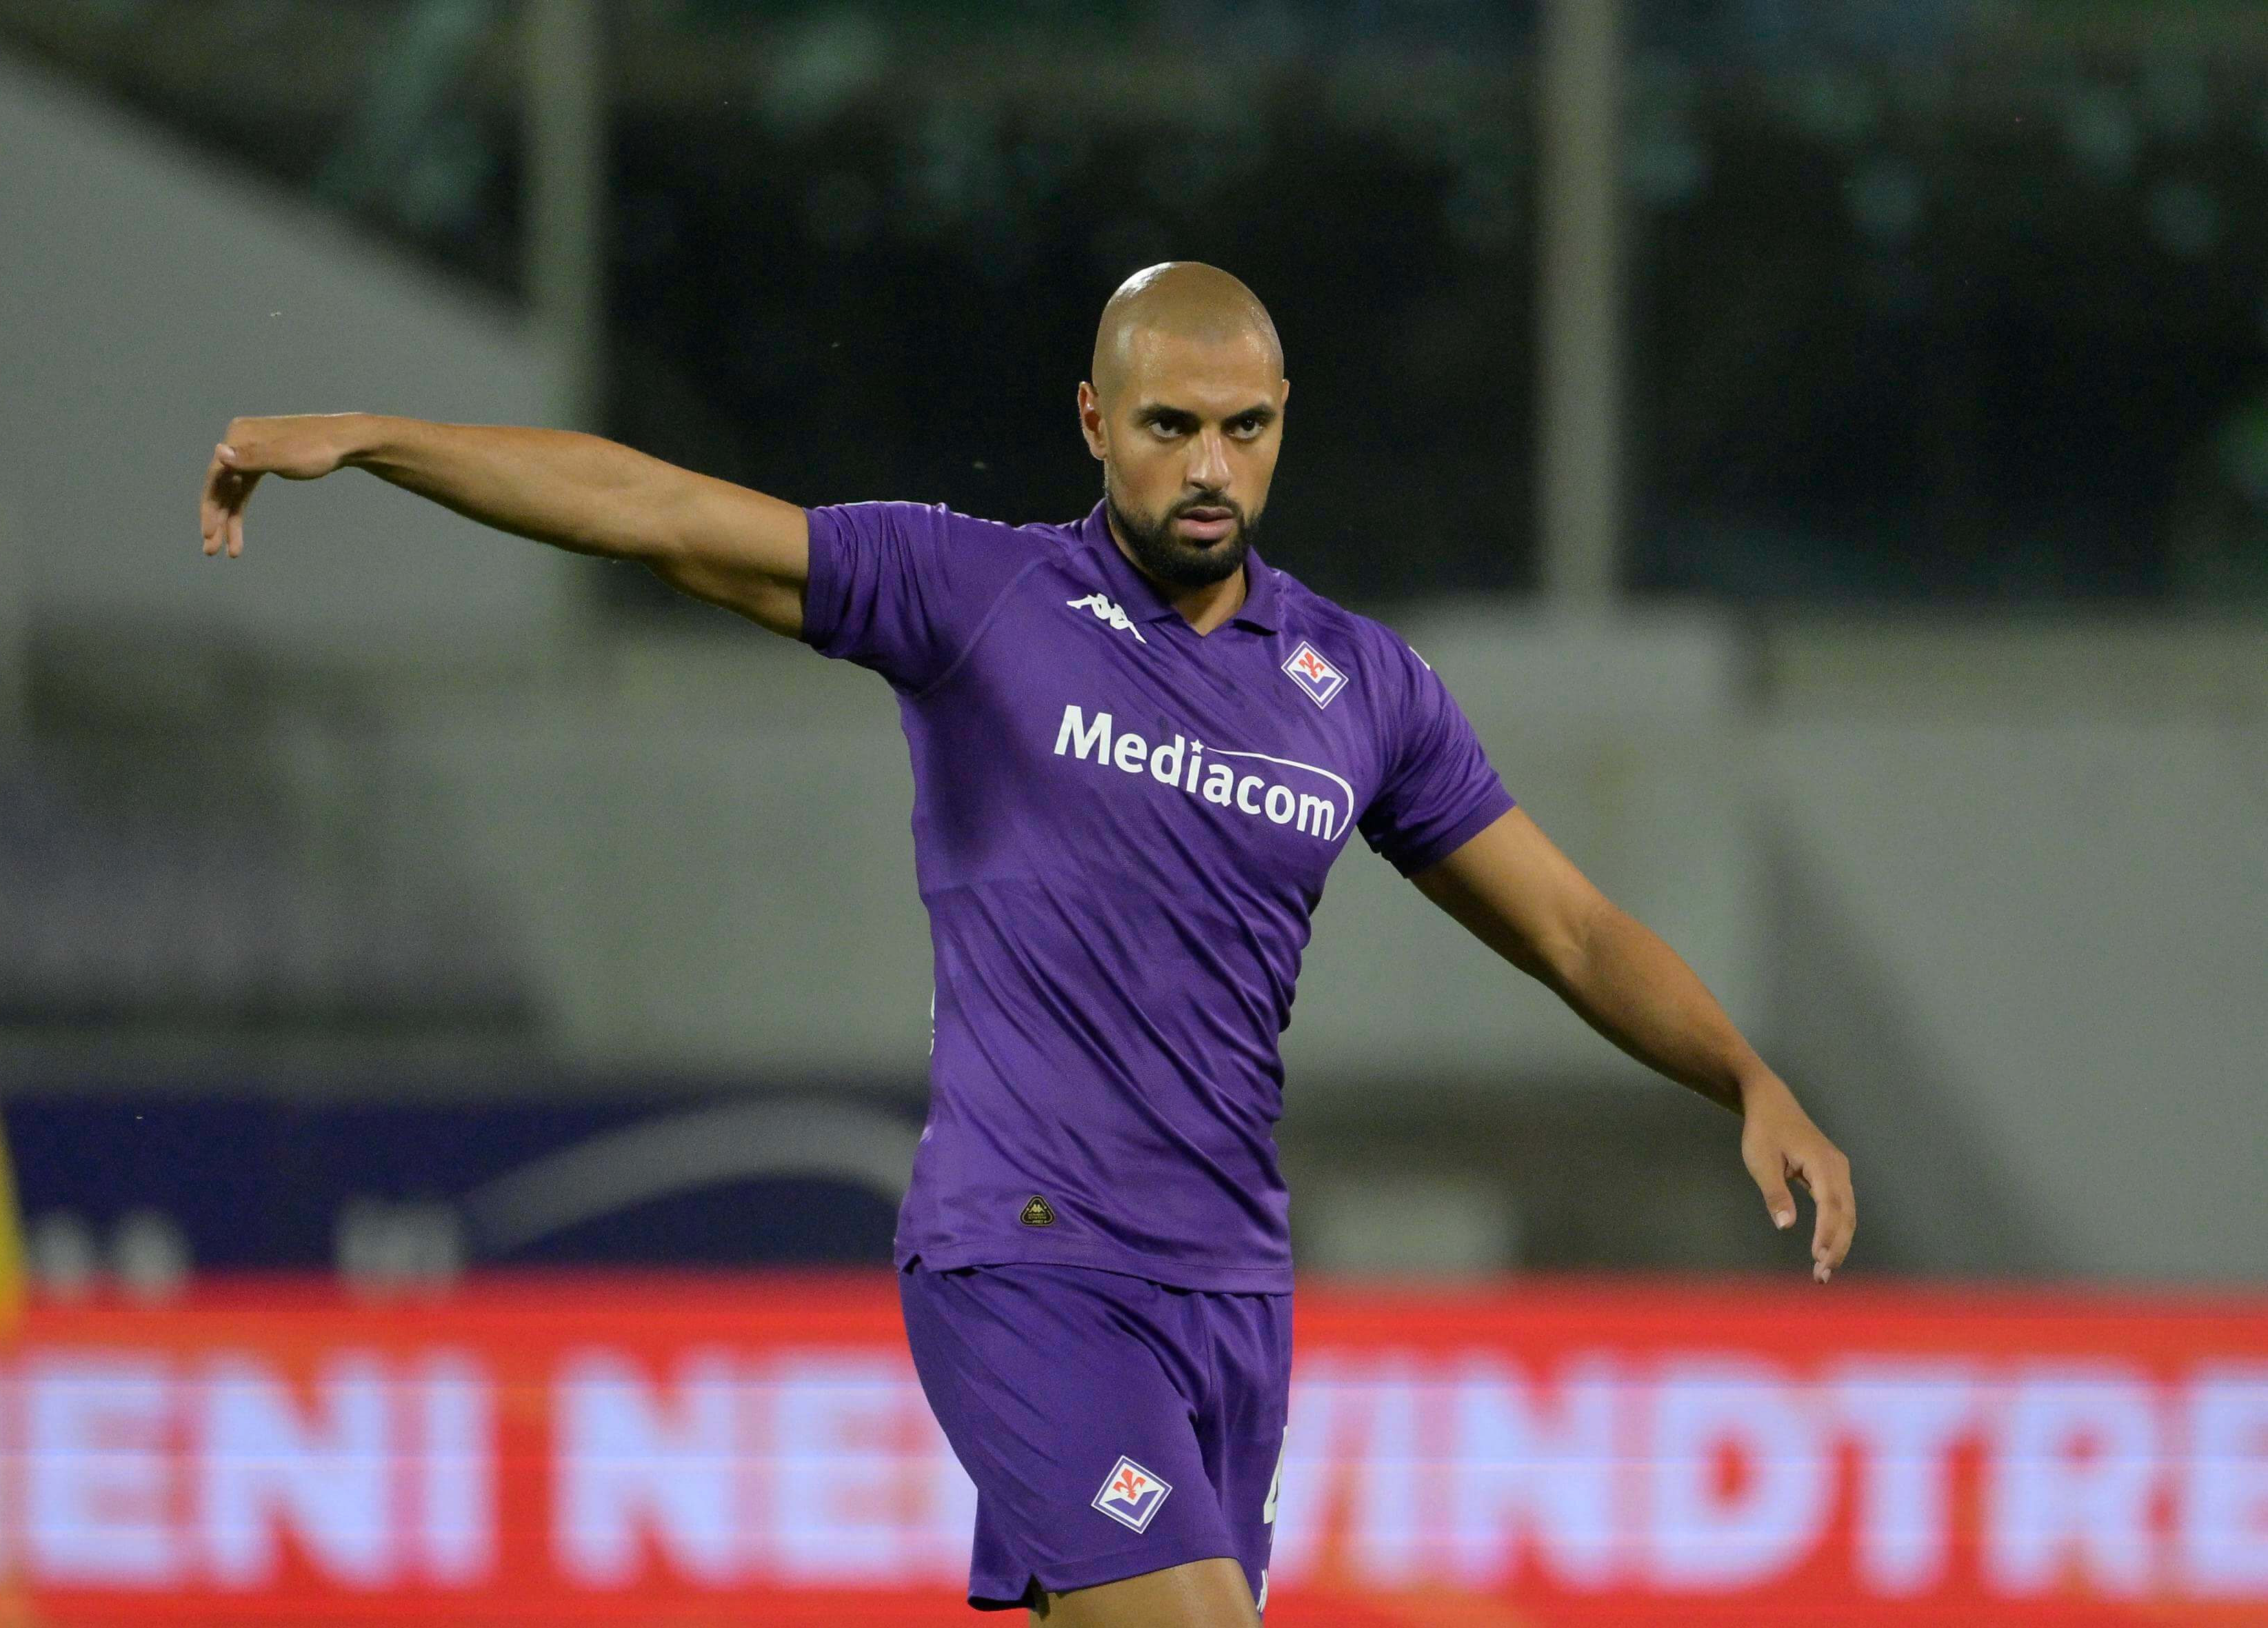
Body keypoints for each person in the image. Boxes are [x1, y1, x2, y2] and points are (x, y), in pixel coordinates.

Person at [199, 261, 1855, 1627]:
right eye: (1168, 427)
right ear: (1091, 422)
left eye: (1244, 429)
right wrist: (373, 437)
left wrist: (1739, 1072)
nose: (1208, 465)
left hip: (1227, 1289)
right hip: (1027, 1257)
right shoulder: (972, 595)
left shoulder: (1359, 689)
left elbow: (1565, 922)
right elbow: (654, 509)